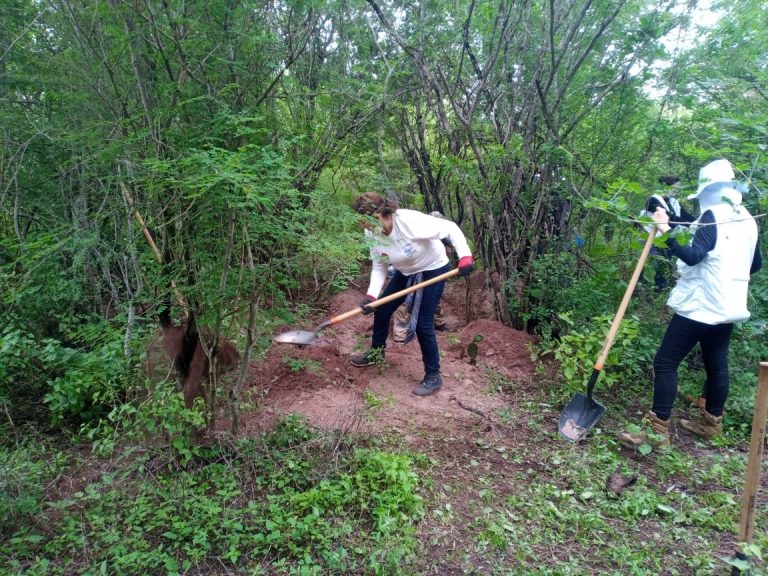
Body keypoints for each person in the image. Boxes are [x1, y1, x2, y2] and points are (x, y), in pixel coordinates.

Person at [619, 159, 762, 448]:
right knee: (716, 363)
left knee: (666, 361)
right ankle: (710, 425)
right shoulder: (747, 218)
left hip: (703, 302)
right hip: (729, 304)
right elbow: (755, 264)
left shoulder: (713, 216)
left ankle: (657, 434)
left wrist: (664, 229)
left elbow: (693, 255)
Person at [351, 193, 474, 396]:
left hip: (433, 268)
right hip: (406, 272)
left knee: (423, 324)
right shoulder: (371, 233)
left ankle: (433, 376)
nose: (367, 228)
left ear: (381, 213)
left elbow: (450, 228)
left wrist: (465, 256)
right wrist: (372, 296)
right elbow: (380, 266)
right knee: (381, 310)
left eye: (369, 221)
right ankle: (376, 353)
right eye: (362, 223)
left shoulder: (409, 221)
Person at [392, 211, 453, 342]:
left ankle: (439, 323)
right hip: (409, 271)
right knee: (404, 301)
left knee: (433, 299)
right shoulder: (415, 231)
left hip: (432, 270)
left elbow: (448, 250)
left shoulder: (441, 234)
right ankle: (400, 333)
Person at [640, 175, 696, 291]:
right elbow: (669, 218)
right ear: (665, 187)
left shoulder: (673, 202)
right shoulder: (653, 200)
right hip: (654, 240)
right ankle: (644, 291)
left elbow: (686, 216)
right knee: (654, 266)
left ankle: (661, 291)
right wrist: (690, 225)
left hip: (668, 239)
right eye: (674, 189)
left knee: (666, 267)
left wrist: (700, 222)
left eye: (677, 189)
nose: (675, 192)